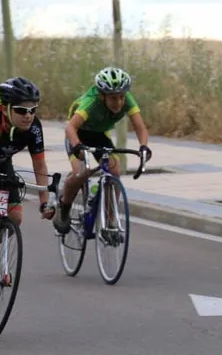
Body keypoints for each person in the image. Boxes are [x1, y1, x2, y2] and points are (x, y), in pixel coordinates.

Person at [53, 66, 151, 235]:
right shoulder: (91, 102)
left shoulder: (128, 100)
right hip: (78, 134)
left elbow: (140, 127)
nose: (119, 102)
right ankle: (64, 207)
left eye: (121, 97)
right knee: (81, 172)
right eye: (113, 98)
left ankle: (110, 221)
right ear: (102, 96)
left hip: (99, 135)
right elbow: (70, 128)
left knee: (114, 171)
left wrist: (143, 146)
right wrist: (77, 146)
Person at [0, 77, 56, 225]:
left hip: (1, 166)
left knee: (15, 218)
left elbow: (39, 165)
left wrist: (44, 202)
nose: (28, 116)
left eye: (33, 110)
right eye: (21, 110)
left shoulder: (34, 127)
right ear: (4, 109)